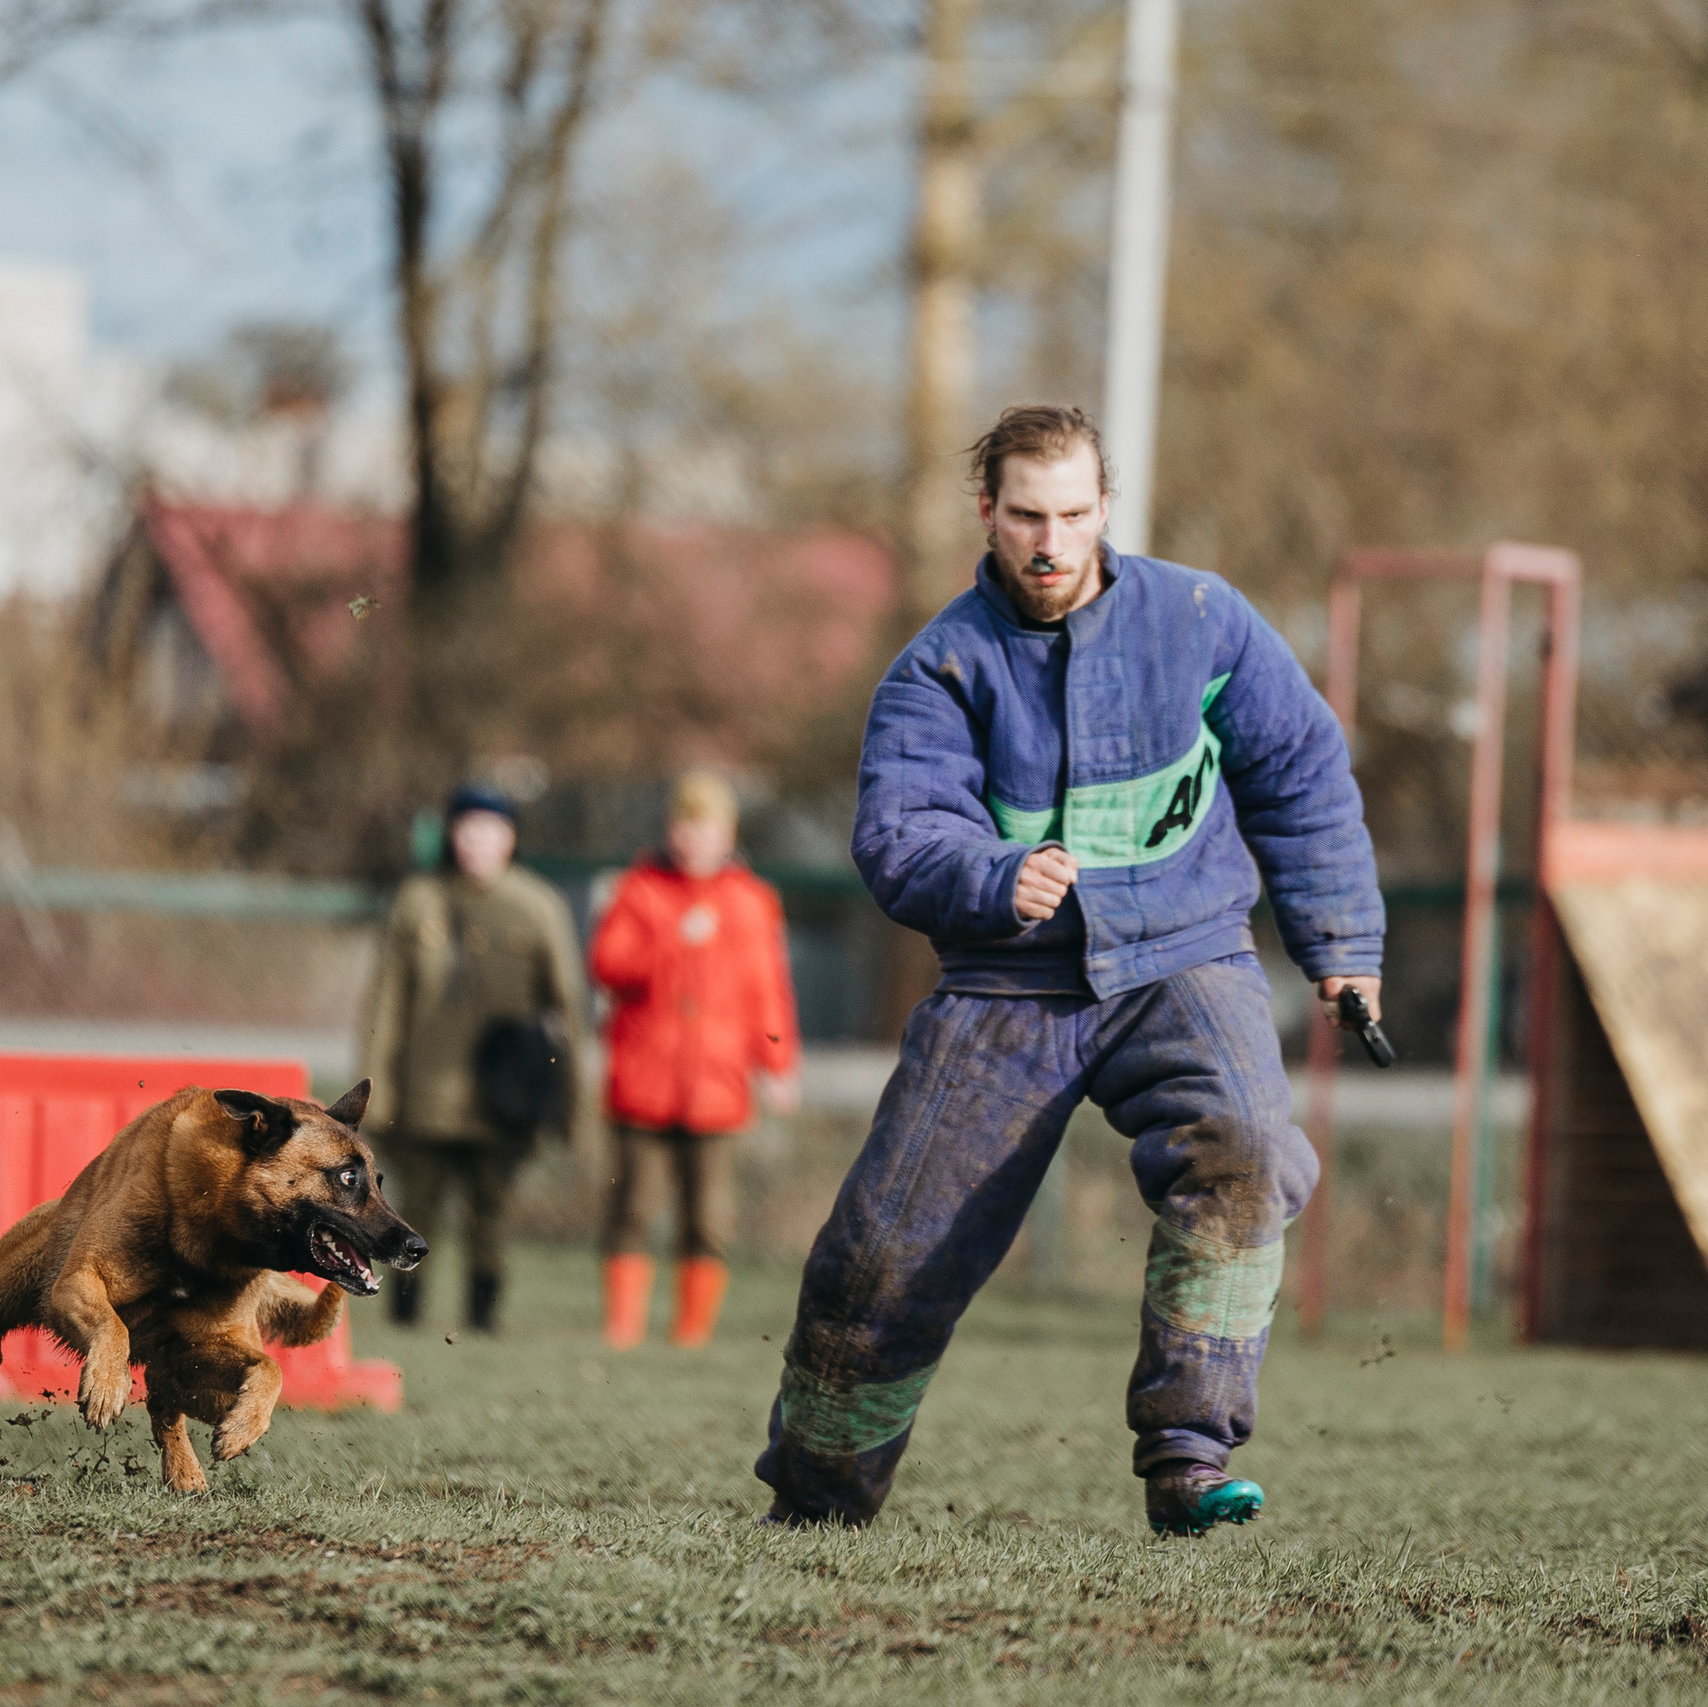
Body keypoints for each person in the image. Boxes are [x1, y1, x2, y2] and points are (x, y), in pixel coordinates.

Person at [752, 405, 1385, 1537]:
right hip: (1007, 981)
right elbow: (898, 833)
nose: (1051, 542)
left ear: (1106, 509)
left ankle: (1189, 1462)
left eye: (1075, 515)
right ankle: (816, 1499)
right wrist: (994, 877)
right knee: (880, 1257)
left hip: (1184, 955)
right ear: (986, 513)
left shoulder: (1201, 620)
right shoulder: (938, 667)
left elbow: (1299, 775)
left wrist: (1339, 946)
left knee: (1249, 1152)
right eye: (1028, 517)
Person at [356, 783, 590, 1334]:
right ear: (450, 834)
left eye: (491, 829)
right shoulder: (418, 900)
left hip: (503, 1098)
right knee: (415, 1207)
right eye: (467, 828)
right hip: (426, 1093)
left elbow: (568, 1014)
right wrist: (375, 1094)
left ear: (510, 838)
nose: (477, 842)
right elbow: (384, 1006)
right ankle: (405, 1312)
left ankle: (483, 1314)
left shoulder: (538, 906)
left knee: (492, 1214)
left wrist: (569, 1103)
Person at [590, 771, 803, 1351]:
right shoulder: (639, 889)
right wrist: (674, 942)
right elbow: (608, 965)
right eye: (687, 826)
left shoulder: (753, 902)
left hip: (718, 1087)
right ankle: (622, 1331)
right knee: (632, 1207)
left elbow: (768, 991)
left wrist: (778, 1065)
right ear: (672, 830)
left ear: (727, 834)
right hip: (644, 1080)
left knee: (710, 1219)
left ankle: (691, 1336)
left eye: (707, 828)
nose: (696, 839)